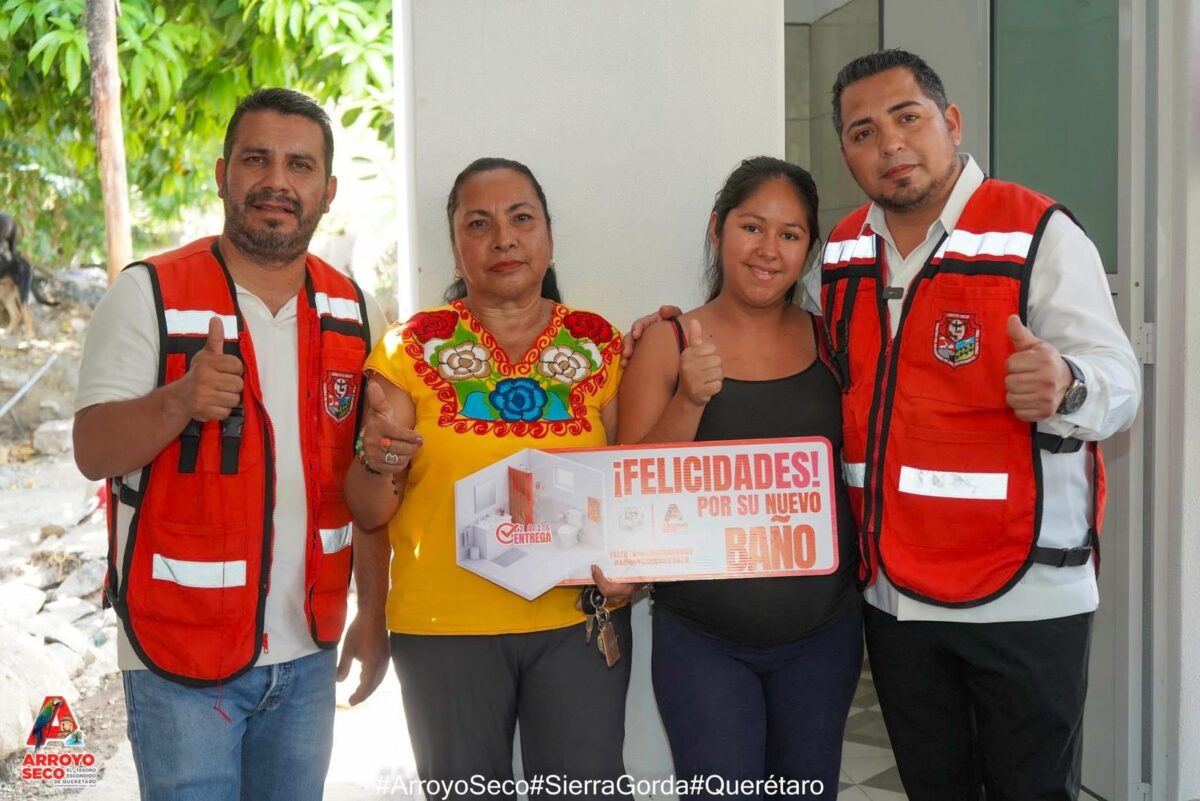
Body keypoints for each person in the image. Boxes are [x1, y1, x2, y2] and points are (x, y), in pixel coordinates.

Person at [803, 50, 1140, 800]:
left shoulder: (1036, 231)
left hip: (1025, 592)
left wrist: (1066, 382)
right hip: (896, 597)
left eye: (907, 118)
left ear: (950, 123)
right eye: (863, 132)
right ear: (847, 155)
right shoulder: (845, 250)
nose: (889, 144)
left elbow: (1121, 383)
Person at [73, 88, 390, 801]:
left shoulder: (351, 308)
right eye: (257, 159)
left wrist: (373, 616)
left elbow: (360, 481)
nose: (278, 181)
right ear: (222, 175)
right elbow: (92, 448)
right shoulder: (150, 292)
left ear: (328, 190)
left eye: (300, 165)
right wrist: (178, 400)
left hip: (309, 654)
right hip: (179, 655)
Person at [344, 157, 631, 796]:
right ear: (455, 251)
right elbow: (367, 511)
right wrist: (377, 462)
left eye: (521, 218)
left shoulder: (599, 345)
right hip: (443, 630)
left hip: (574, 624)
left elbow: (630, 478)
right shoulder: (407, 348)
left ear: (549, 238)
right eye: (479, 223)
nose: (503, 238)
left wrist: (630, 577)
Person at [610, 157, 860, 797]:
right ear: (719, 229)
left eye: (790, 234)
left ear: (808, 251)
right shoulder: (668, 341)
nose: (768, 251)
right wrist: (689, 399)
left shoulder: (833, 338)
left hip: (822, 638)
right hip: (703, 641)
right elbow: (628, 493)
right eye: (753, 227)